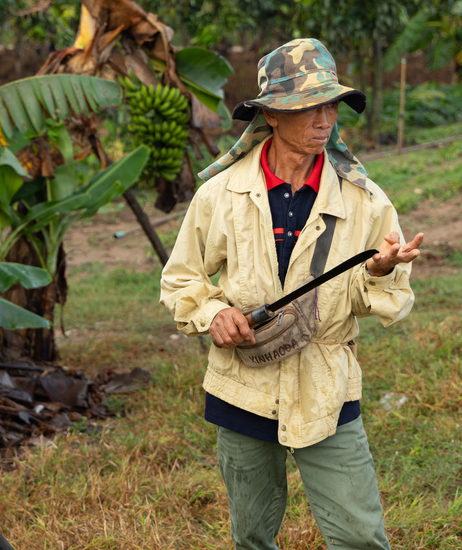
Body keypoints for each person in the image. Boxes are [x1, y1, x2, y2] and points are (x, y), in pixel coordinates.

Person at [160, 38, 424, 550]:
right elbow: (181, 278)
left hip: (327, 384)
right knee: (253, 536)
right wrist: (214, 312)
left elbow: (385, 300)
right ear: (272, 115)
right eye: (309, 107)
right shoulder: (221, 193)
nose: (325, 119)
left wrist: (382, 270)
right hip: (242, 387)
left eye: (331, 106)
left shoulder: (364, 201)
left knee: (361, 537)